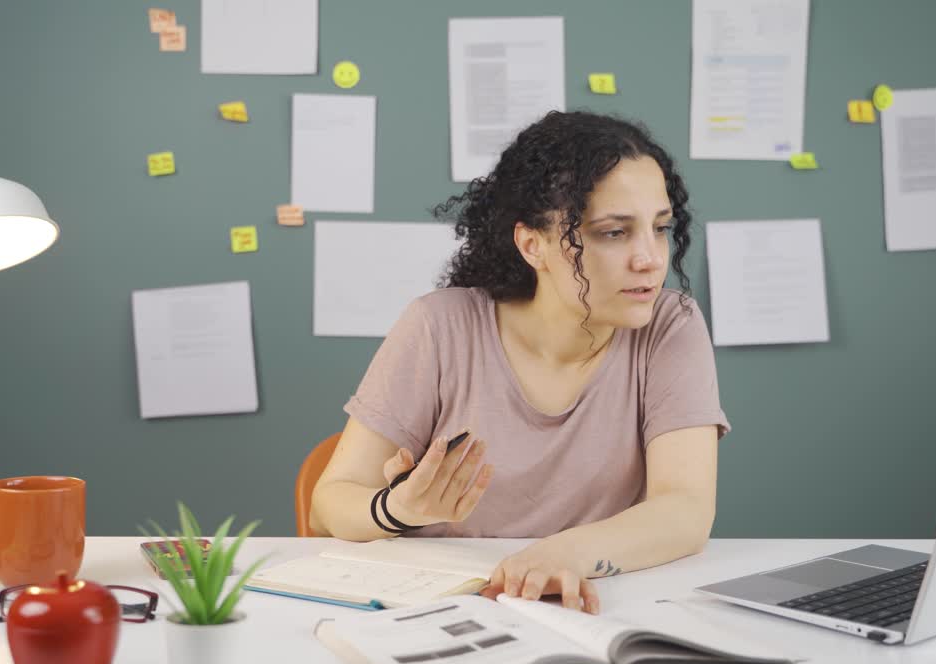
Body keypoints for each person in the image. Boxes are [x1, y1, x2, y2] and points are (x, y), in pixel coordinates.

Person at [309, 110, 729, 614]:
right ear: (533, 244)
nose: (650, 259)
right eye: (614, 233)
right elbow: (328, 504)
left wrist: (559, 554)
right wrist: (399, 508)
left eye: (660, 228)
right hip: (448, 609)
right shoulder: (439, 326)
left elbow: (685, 509)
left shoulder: (670, 326)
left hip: (596, 602)